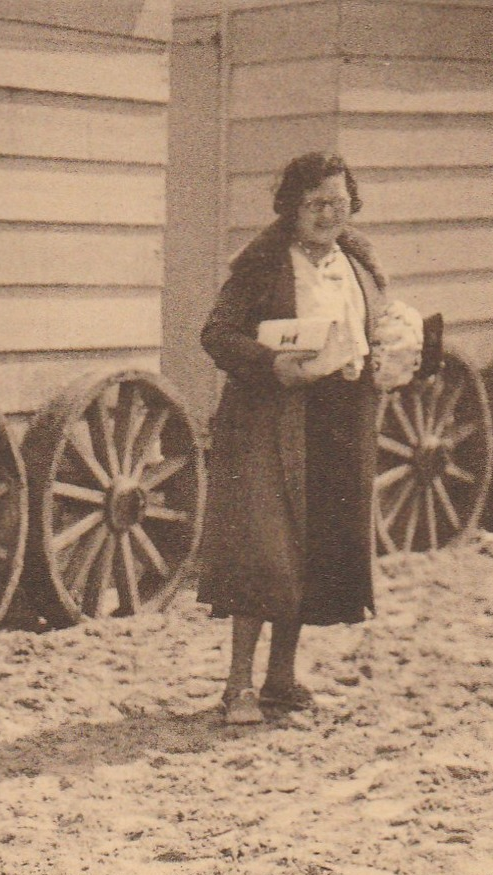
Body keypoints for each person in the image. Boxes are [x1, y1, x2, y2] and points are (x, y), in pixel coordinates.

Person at [196, 151, 391, 726]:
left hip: (337, 424)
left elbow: (371, 330)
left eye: (338, 202)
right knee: (264, 552)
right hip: (268, 426)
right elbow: (217, 335)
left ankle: (281, 677)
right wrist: (269, 364)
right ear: (291, 208)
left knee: (310, 552)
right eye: (315, 204)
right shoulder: (262, 265)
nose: (328, 214)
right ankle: (238, 688)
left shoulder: (358, 263)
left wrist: (389, 355)